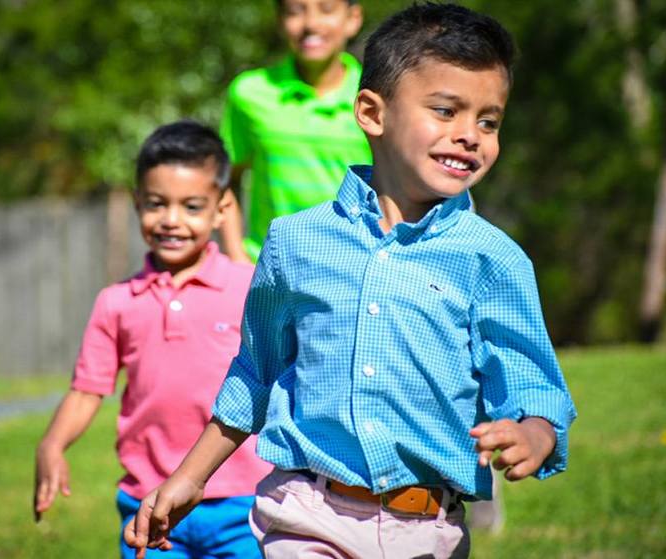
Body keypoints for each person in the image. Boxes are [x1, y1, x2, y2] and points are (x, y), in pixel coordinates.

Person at [125, 4, 578, 558]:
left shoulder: (494, 260)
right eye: (445, 111)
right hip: (306, 513)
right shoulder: (294, 242)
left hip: (429, 530)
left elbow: (534, 381)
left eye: (489, 121)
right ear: (371, 113)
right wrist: (190, 478)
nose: (469, 136)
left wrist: (537, 430)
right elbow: (255, 372)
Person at [33, 120, 270, 558]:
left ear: (222, 209)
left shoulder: (250, 289)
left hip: (244, 502)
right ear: (137, 202)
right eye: (157, 204)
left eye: (192, 206)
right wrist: (52, 444)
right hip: (148, 502)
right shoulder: (116, 302)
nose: (171, 220)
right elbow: (87, 390)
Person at [219, 0, 372, 263]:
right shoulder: (249, 92)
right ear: (280, 20)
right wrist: (236, 257)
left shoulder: (376, 97)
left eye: (326, 9)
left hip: (351, 268)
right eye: (295, 11)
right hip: (269, 268)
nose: (311, 24)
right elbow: (225, 179)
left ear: (353, 18)